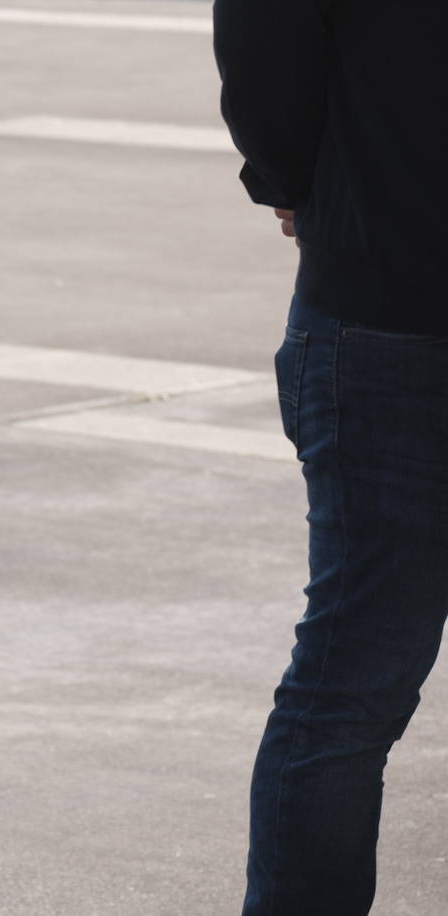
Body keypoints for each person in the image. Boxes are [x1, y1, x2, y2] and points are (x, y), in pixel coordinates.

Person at [215, 4, 448, 914]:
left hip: (376, 288)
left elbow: (265, 56)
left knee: (348, 689)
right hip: (378, 305)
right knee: (347, 691)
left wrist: (303, 181)